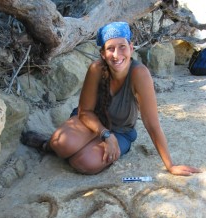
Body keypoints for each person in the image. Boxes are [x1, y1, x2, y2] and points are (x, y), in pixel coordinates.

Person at [21, 21, 201, 176]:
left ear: (131, 48)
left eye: (122, 47)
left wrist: (170, 165)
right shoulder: (96, 69)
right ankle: (46, 145)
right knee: (60, 144)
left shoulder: (139, 73)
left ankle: (89, 147)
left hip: (121, 131)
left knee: (83, 163)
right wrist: (106, 135)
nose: (116, 55)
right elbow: (85, 112)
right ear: (102, 54)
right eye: (110, 49)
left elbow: (152, 123)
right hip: (91, 123)